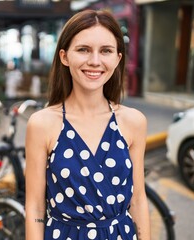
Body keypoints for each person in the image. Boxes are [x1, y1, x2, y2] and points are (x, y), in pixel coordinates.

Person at [25, 9, 150, 240]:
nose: (95, 61)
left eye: (106, 51)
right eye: (83, 50)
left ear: (117, 58)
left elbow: (138, 199)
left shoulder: (133, 121)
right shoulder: (42, 124)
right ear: (64, 56)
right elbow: (35, 207)